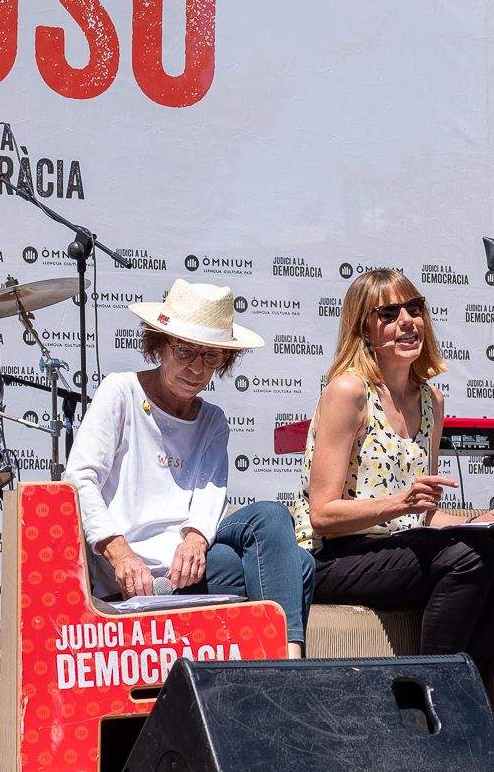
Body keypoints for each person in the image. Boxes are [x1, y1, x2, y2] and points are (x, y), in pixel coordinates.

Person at [293, 268, 494, 756]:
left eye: (414, 308)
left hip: (397, 546)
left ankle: (469, 710)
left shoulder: (431, 399)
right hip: (335, 555)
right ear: (364, 328)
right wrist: (402, 502)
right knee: (467, 558)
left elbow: (422, 521)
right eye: (389, 313)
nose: (407, 322)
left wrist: (473, 521)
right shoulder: (348, 391)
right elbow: (322, 513)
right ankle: (426, 715)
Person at [67, 278, 315, 656]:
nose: (196, 368)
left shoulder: (212, 419)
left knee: (273, 519)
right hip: (133, 570)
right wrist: (119, 552)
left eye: (210, 357)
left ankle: (286, 662)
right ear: (160, 346)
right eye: (185, 352)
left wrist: (196, 538)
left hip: (190, 564)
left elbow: (209, 493)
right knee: (298, 564)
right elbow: (80, 479)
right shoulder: (121, 391)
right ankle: (288, 666)